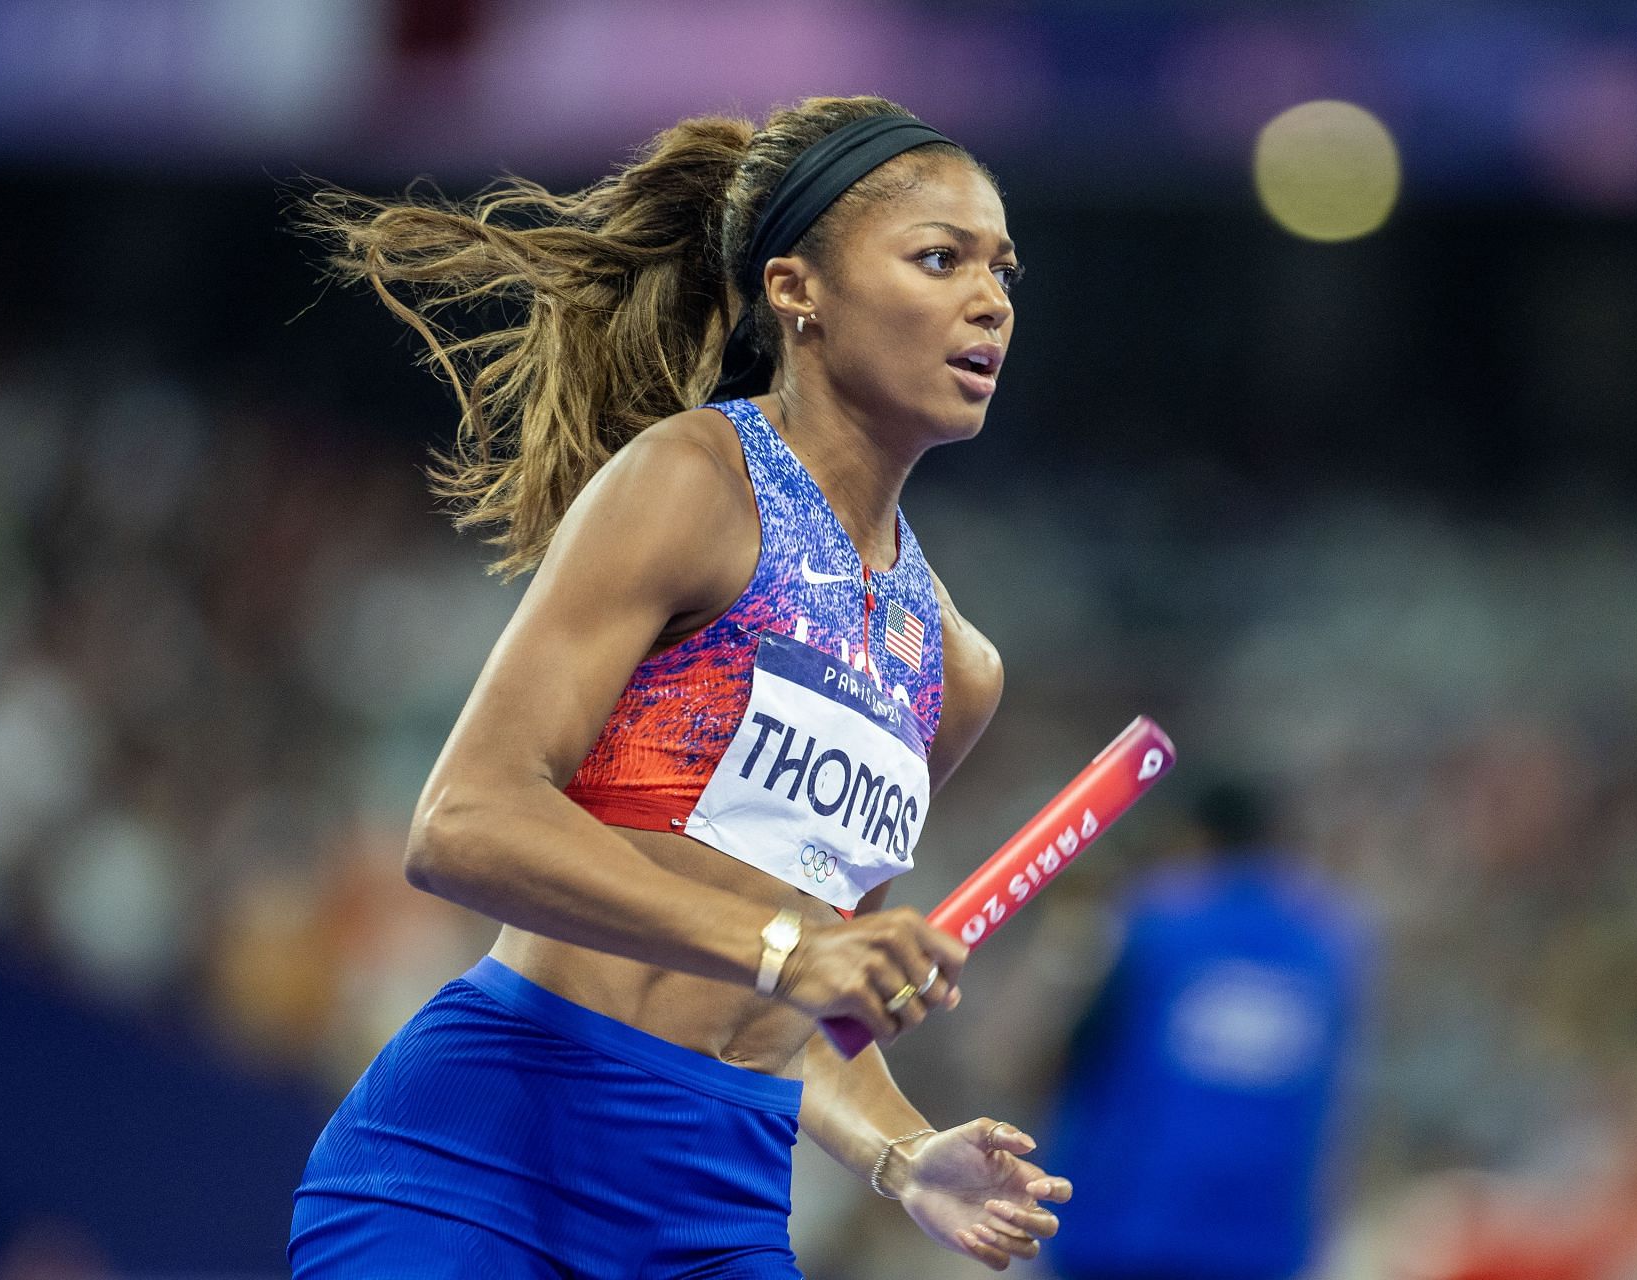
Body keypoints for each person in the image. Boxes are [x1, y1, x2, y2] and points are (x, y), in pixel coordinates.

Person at [287, 96, 1071, 1277]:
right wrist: (779, 947)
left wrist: (904, 1152)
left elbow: (807, 1007)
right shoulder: (694, 482)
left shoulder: (956, 669)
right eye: (939, 257)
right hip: (482, 1168)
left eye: (1003, 269)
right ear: (796, 288)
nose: (991, 299)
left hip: (716, 1212)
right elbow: (465, 820)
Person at [1044, 781, 1372, 1280]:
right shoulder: (1331, 945)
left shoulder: (1150, 920)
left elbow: (1046, 1057)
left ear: (1193, 837)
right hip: (1264, 1241)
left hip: (1124, 1230)